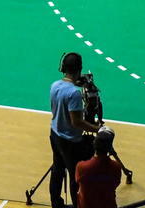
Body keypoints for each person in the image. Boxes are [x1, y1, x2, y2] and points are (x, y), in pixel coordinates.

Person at [50, 52, 102, 208]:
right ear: (79, 69)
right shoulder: (74, 93)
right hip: (70, 141)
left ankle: (56, 204)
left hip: (55, 134)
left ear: (63, 68)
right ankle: (77, 205)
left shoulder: (55, 85)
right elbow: (77, 122)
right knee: (75, 175)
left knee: (57, 169)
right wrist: (97, 129)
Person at [75, 127, 123, 208]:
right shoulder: (116, 167)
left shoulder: (81, 167)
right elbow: (116, 183)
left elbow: (77, 181)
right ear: (110, 148)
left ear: (94, 144)